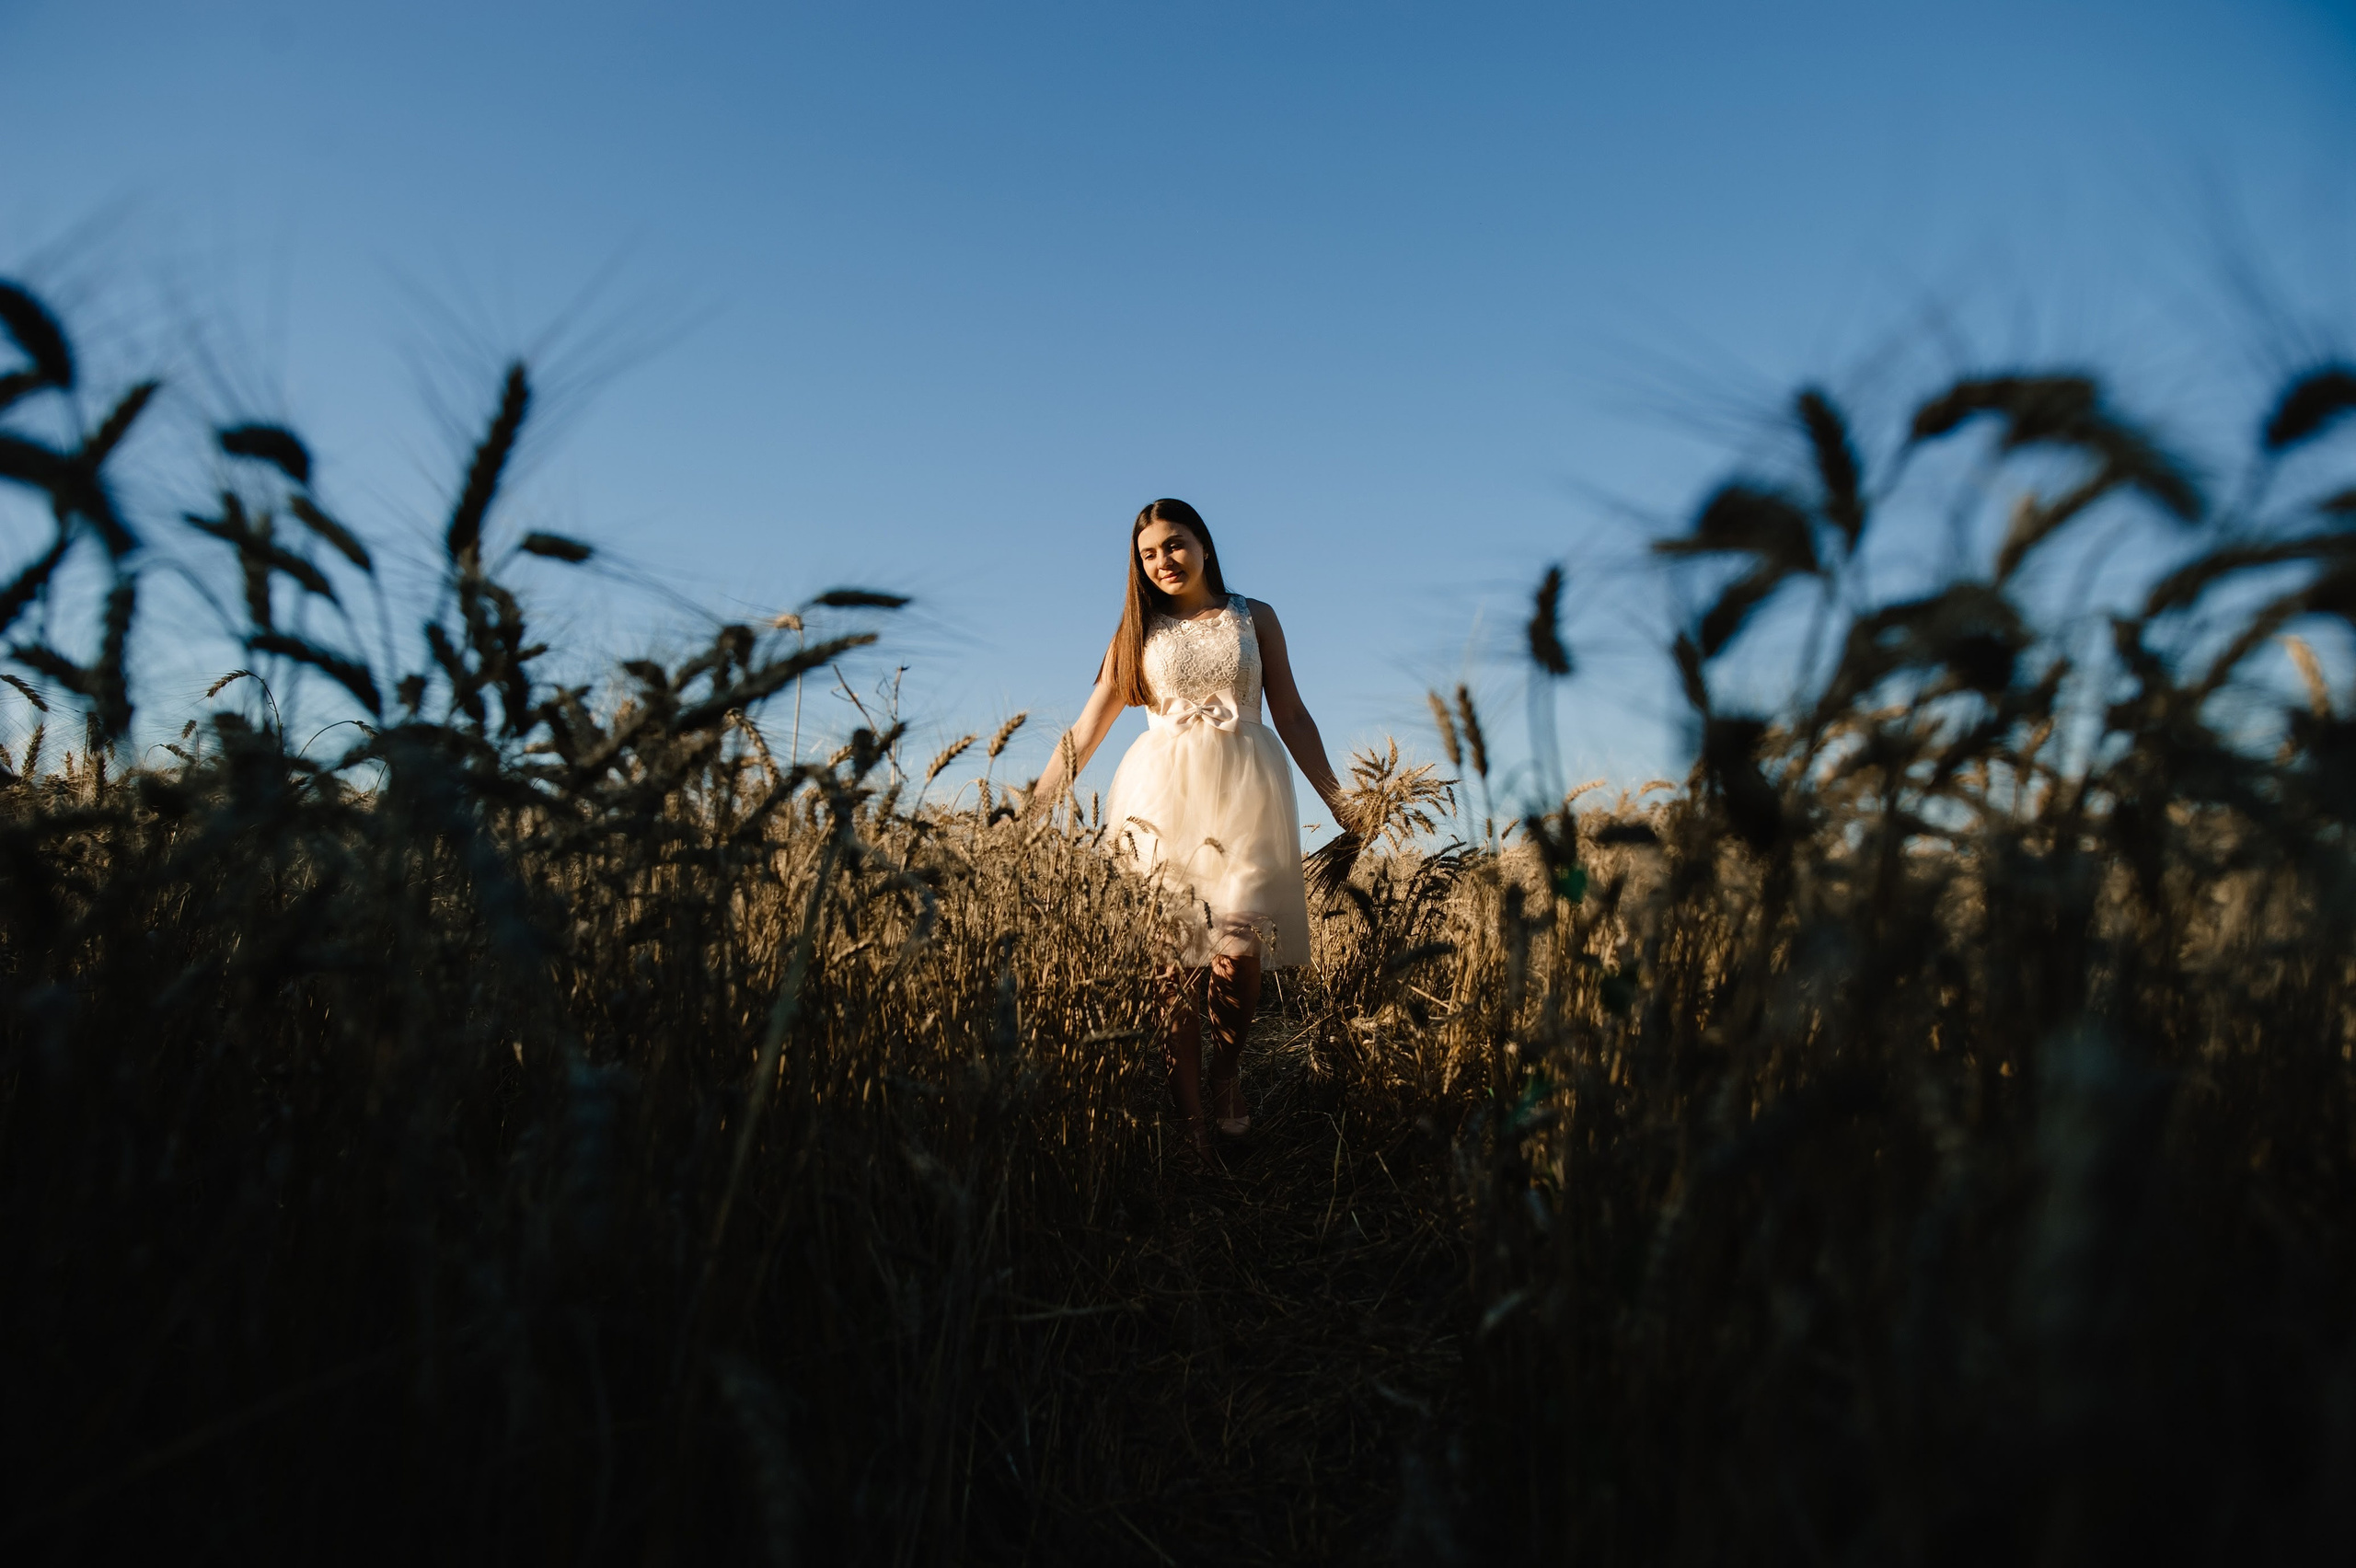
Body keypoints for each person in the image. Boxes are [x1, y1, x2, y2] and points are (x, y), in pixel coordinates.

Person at [1028, 499, 1350, 1157]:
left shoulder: (1254, 617)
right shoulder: (1135, 632)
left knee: (1239, 955)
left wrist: (1344, 802)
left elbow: (1290, 712)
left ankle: (1228, 1072)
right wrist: (1028, 811)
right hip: (1162, 800)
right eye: (1148, 554)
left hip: (1248, 796)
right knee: (1172, 970)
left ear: (1203, 544)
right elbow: (1086, 732)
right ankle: (1192, 1121)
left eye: (1174, 545)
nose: (1163, 561)